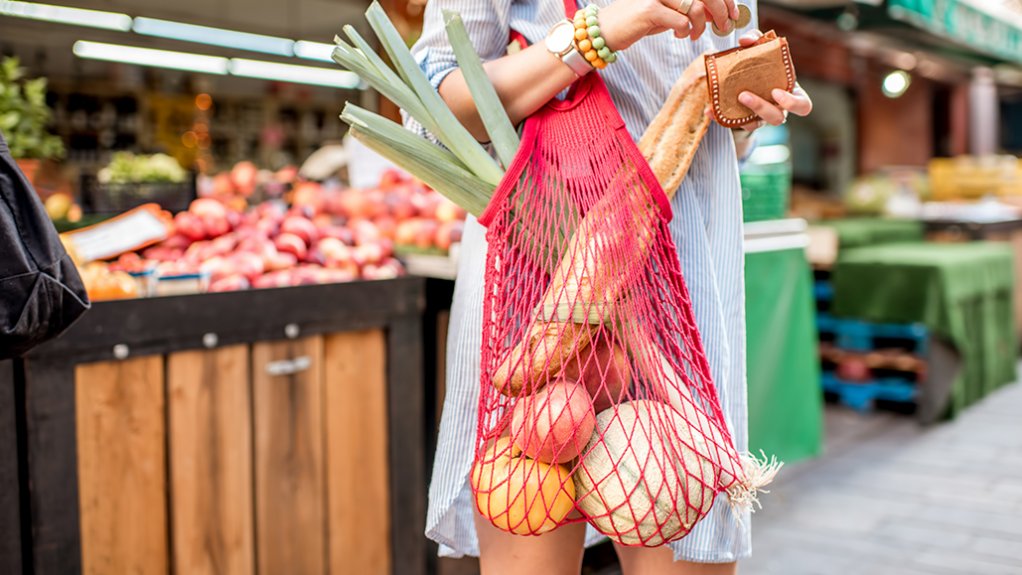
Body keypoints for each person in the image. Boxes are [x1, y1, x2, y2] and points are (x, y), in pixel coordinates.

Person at [408, 1, 812, 573]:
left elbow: (728, 139)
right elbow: (431, 110)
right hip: (544, 280)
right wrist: (607, 28)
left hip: (683, 281)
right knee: (533, 508)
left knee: (684, 540)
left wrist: (747, 103)